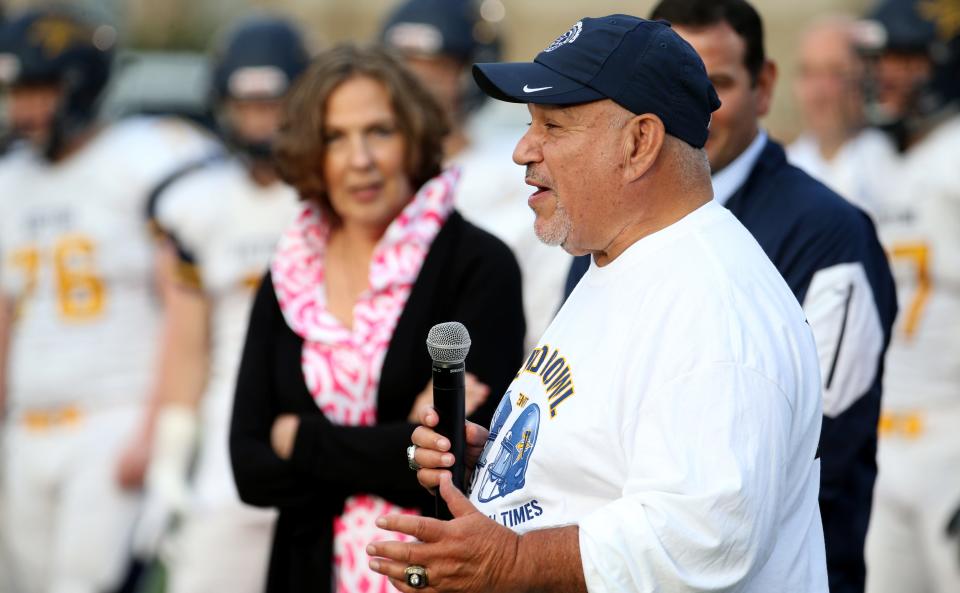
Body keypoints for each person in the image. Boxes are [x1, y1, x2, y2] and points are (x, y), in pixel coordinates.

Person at [369, 15, 829, 592]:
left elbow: (704, 538)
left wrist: (512, 563)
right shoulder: (623, 260)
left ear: (639, 142)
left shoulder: (711, 306)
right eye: (530, 123)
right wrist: (500, 464)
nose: (522, 150)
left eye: (554, 126)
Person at [228, 43, 525, 593]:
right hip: (307, 570)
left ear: (414, 137)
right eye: (335, 138)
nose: (359, 159)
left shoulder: (478, 265)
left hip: (434, 576)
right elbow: (249, 467)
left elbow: (458, 465)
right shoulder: (289, 272)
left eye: (379, 132)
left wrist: (301, 438)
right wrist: (399, 445)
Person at [0, 7, 216, 593]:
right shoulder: (10, 180)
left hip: (111, 413)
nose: (24, 109)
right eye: (17, 92)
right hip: (26, 419)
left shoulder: (143, 158)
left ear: (81, 83)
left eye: (38, 89)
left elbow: (185, 306)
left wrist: (156, 430)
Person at [134, 16, 309, 593]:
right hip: (229, 437)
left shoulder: (338, 190)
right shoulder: (195, 202)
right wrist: (168, 462)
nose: (259, 122)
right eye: (247, 105)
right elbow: (189, 347)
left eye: (272, 104)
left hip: (327, 432)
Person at [380, 0, 571, 347]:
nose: (416, 82)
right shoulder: (365, 174)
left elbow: (542, 320)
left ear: (465, 73)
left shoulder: (518, 168)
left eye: (435, 67)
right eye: (402, 66)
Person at [858, 1, 960, 592]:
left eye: (901, 57)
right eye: (878, 59)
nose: (885, 75)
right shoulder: (876, 160)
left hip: (950, 436)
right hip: (888, 441)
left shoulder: (950, 159)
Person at [786, 15, 897, 220]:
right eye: (808, 73)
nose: (818, 91)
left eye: (835, 73)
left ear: (867, 78)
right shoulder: (784, 171)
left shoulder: (894, 163)